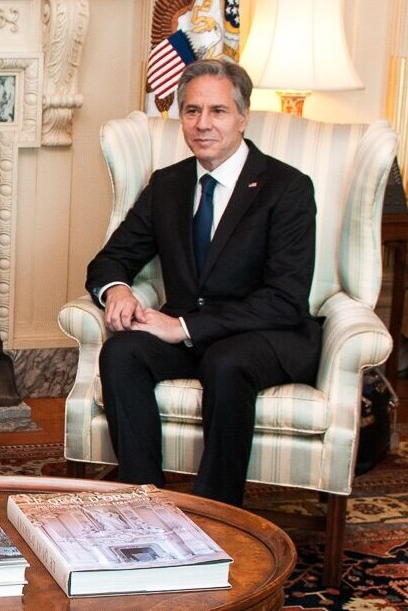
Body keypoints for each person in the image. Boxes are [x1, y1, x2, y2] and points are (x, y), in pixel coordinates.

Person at [85, 59, 321, 507]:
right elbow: (110, 259)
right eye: (192, 111)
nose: (203, 124)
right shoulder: (168, 185)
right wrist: (117, 289)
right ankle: (144, 501)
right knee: (122, 352)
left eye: (218, 111)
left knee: (226, 363)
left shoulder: (287, 188)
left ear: (243, 117)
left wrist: (184, 327)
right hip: (189, 332)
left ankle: (217, 511)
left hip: (266, 335)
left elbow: (285, 300)